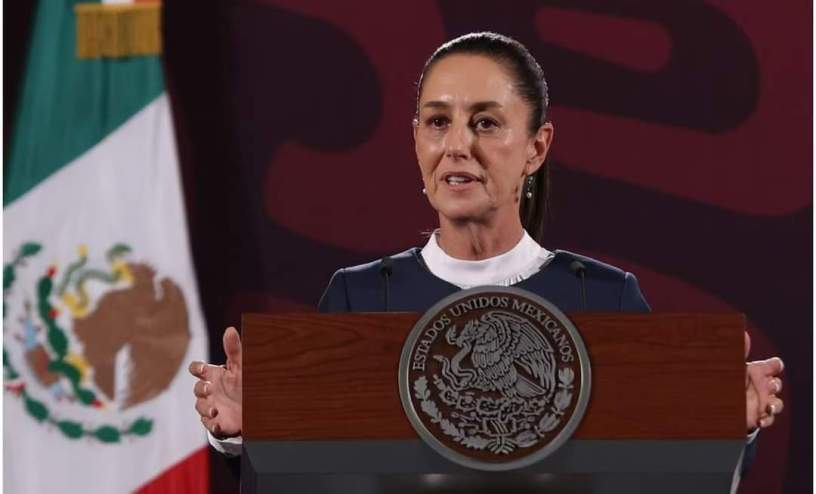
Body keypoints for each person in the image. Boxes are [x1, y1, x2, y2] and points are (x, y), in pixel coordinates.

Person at [189, 31, 784, 469]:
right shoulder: (358, 297)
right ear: (416, 140)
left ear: (536, 148)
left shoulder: (604, 298)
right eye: (437, 122)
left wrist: (727, 426)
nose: (457, 146)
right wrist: (246, 433)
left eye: (486, 123)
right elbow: (315, 478)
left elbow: (656, 474)